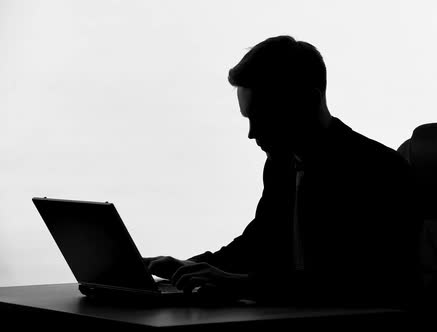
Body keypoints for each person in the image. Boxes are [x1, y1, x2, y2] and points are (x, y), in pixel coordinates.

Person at [144, 35, 419, 307]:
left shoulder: (379, 171)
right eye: (249, 119)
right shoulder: (282, 166)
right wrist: (188, 266)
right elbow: (256, 244)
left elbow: (353, 283)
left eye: (265, 117)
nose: (252, 133)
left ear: (309, 101)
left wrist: (235, 282)